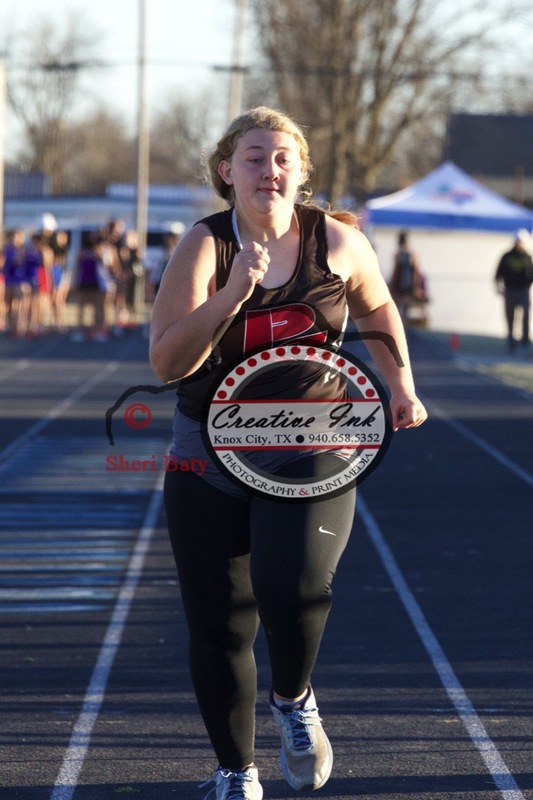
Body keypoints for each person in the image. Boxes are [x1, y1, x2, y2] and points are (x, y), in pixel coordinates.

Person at [149, 106, 427, 800]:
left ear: (300, 171)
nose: (267, 169)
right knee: (219, 625)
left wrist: (400, 385)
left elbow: (376, 309)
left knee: (292, 586)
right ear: (225, 170)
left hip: (315, 437)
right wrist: (232, 296)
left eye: (281, 157)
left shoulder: (335, 241)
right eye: (252, 157)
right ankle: (235, 772)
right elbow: (165, 363)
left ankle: (294, 701)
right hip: (208, 448)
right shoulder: (204, 248)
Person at [495, 229, 533, 352]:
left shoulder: (527, 257)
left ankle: (524, 341)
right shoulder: (507, 256)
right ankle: (511, 341)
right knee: (510, 317)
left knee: (525, 316)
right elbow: (499, 273)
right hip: (510, 290)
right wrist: (498, 286)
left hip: (523, 291)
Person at [388, 230, 424, 324]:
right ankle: (403, 326)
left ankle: (402, 326)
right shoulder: (412, 255)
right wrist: (416, 287)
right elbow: (416, 272)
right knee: (404, 309)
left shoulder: (400, 256)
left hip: (402, 287)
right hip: (408, 287)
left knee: (401, 309)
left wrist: (391, 286)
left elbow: (395, 273)